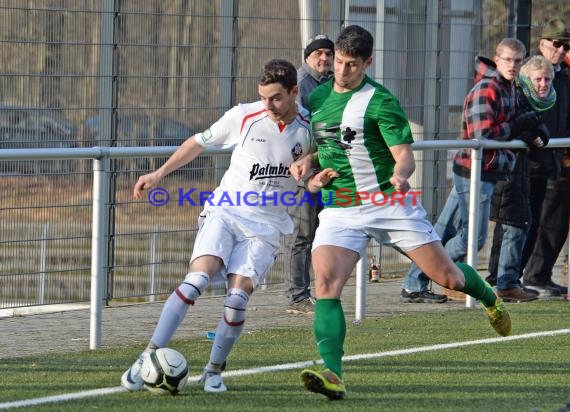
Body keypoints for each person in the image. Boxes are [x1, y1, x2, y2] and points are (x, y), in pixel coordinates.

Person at [290, 25, 512, 401]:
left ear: (367, 63)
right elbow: (321, 141)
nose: (342, 71)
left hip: (389, 202)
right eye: (339, 63)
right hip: (341, 206)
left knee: (448, 278)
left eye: (351, 65)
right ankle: (333, 372)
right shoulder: (320, 95)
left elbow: (404, 156)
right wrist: (306, 163)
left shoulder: (380, 100)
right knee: (326, 283)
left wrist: (400, 175)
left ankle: (488, 295)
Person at [120, 59, 313, 393]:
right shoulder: (244, 115)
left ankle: (213, 371)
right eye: (263, 97)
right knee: (196, 281)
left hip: (266, 227)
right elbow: (198, 142)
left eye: (276, 98)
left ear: (294, 92)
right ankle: (145, 357)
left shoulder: (310, 126)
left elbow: (316, 168)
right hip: (226, 211)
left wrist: (310, 169)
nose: (268, 105)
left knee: (237, 300)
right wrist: (158, 173)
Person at [400, 37, 535, 304]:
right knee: (473, 237)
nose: (513, 65)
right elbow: (482, 136)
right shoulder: (488, 88)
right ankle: (439, 274)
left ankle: (413, 284)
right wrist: (518, 126)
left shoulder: (509, 87)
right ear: (497, 59)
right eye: (508, 59)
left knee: (438, 231)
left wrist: (528, 126)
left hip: (484, 170)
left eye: (518, 60)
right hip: (474, 171)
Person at [486, 56, 555, 302]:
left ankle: (508, 281)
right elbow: (510, 126)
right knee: (501, 227)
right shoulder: (514, 94)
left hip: (528, 170)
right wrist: (530, 134)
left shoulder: (546, 100)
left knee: (521, 224)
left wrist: (538, 136)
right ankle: (498, 280)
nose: (543, 84)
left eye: (547, 79)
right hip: (505, 168)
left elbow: (541, 131)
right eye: (538, 79)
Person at [283, 34, 334, 315]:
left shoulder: (327, 84)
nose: (323, 58)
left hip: (321, 169)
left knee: (318, 232)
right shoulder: (301, 85)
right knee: (301, 233)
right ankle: (296, 296)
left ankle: (312, 292)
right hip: (302, 170)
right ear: (307, 57)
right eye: (318, 54)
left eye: (328, 53)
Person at [522, 19, 570, 296]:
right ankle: (521, 277)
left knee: (553, 220)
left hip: (557, 158)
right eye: (557, 43)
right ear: (542, 44)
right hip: (534, 159)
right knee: (529, 223)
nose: (561, 50)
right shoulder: (530, 75)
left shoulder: (563, 77)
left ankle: (539, 275)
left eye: (566, 45)